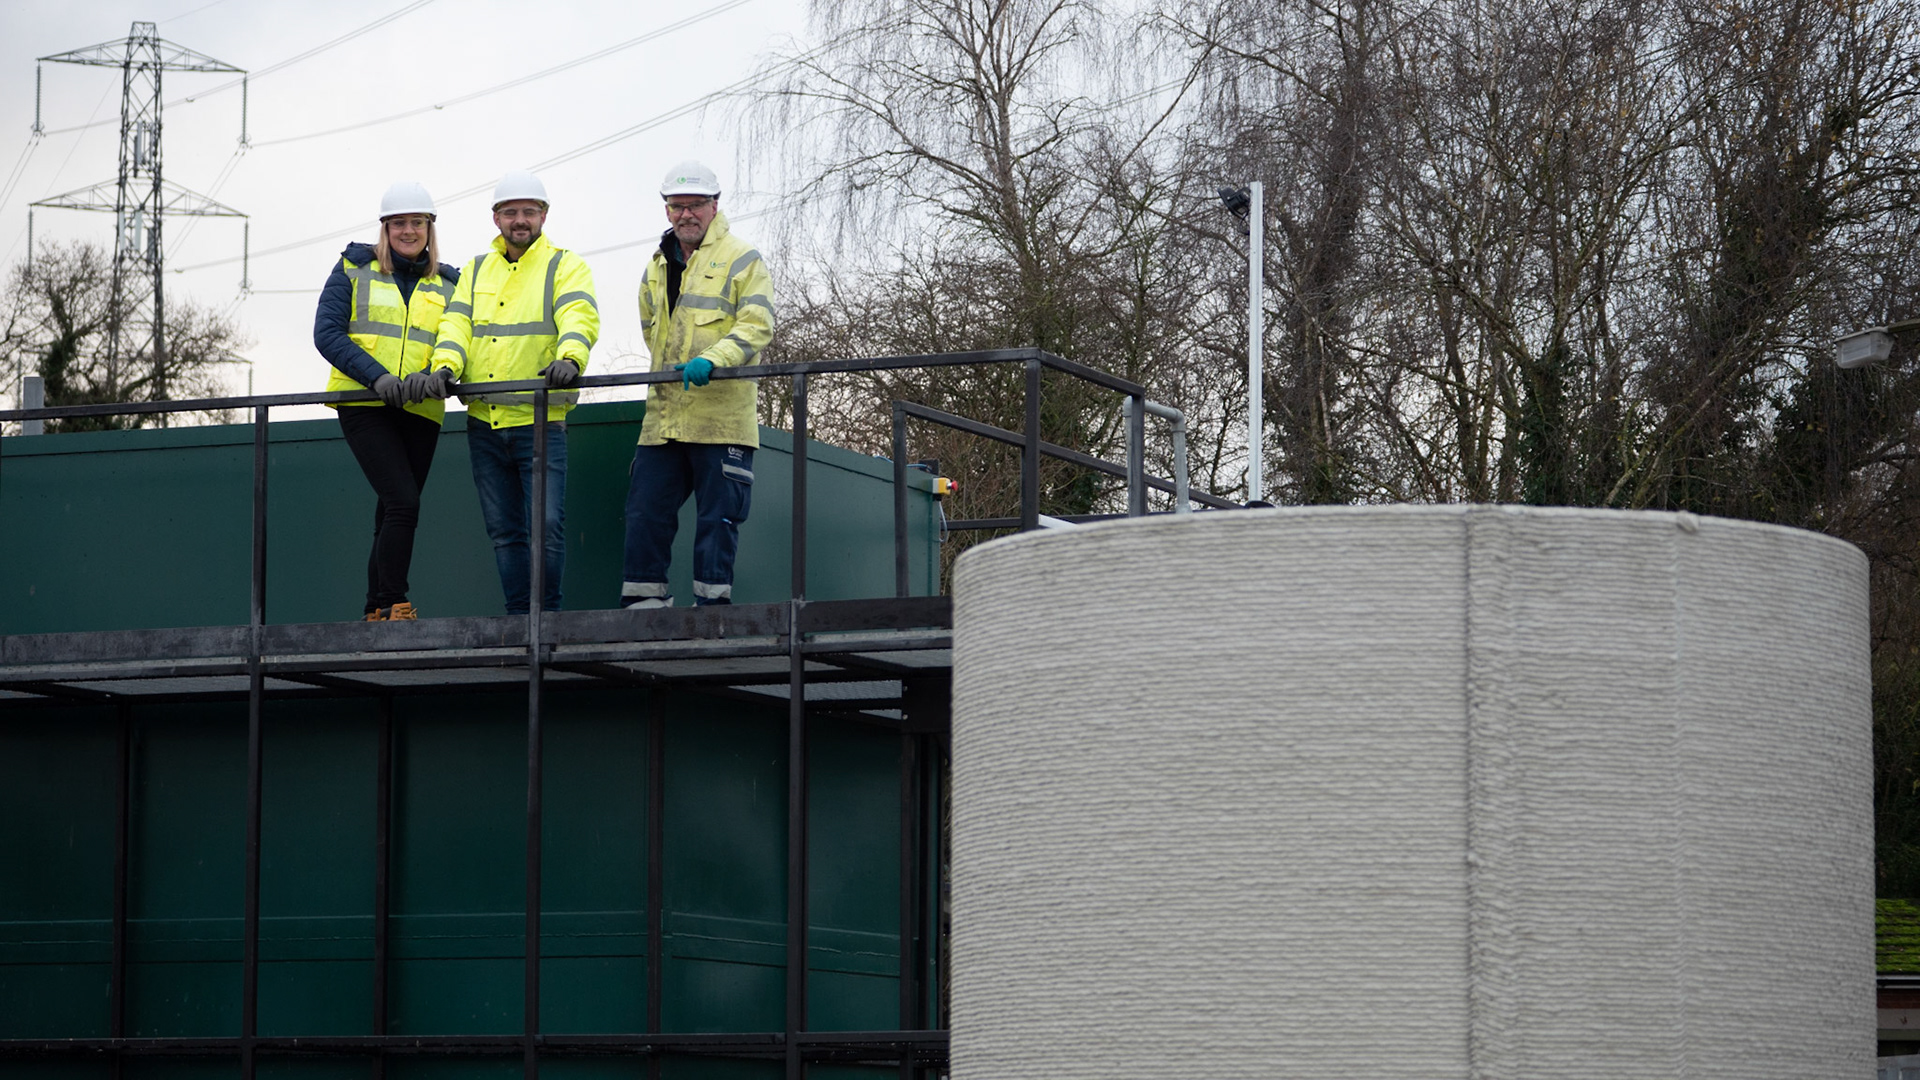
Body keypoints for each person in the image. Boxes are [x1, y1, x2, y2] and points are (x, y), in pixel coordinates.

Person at [428, 170, 599, 615]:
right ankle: (521, 618)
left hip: (540, 420)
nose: (519, 220)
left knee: (546, 526)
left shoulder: (565, 264)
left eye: (528, 211)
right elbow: (456, 323)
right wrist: (445, 366)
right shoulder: (477, 270)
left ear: (544, 215)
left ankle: (548, 619)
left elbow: (578, 315)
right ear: (496, 218)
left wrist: (571, 358)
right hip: (485, 421)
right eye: (510, 212)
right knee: (504, 531)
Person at [619, 161, 776, 609]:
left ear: (715, 206)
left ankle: (711, 614)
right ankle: (643, 612)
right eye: (676, 206)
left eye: (695, 205)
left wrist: (713, 357)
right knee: (644, 514)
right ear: (666, 210)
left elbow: (757, 325)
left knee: (718, 519)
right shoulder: (656, 266)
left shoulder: (743, 258)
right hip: (663, 420)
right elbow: (653, 329)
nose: (685, 214)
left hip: (721, 420)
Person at [312, 181, 461, 622]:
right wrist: (377, 378)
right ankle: (396, 603)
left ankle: (374, 609)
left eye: (418, 222)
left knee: (390, 510)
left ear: (430, 228)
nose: (409, 231)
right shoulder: (353, 267)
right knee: (403, 503)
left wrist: (436, 373)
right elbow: (327, 333)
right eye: (400, 223)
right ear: (385, 227)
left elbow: (457, 339)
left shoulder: (451, 282)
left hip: (422, 408)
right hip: (364, 404)